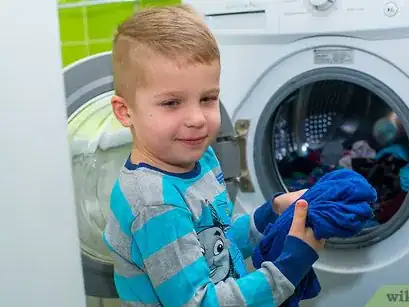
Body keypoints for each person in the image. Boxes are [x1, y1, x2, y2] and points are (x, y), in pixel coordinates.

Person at [103, 4, 325, 306]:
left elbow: (216, 242)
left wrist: (268, 217)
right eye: (171, 103)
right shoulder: (155, 204)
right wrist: (287, 269)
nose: (197, 118)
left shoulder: (201, 160)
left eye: (207, 98)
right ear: (125, 111)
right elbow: (200, 302)